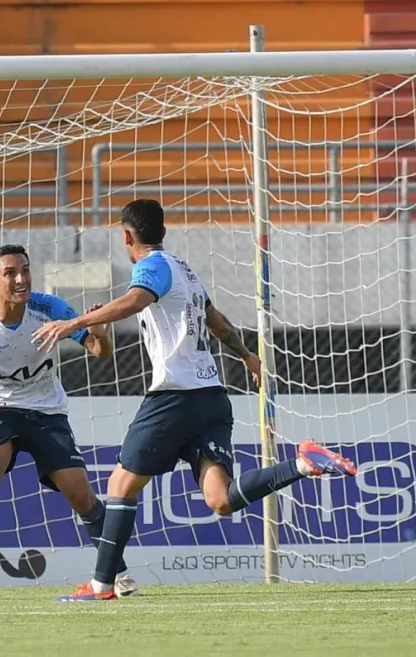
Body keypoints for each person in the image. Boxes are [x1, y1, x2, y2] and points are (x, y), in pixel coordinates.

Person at [31, 199, 358, 602]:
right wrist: (247, 354)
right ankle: (303, 464)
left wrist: (75, 323)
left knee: (119, 486)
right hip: (212, 398)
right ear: (163, 231)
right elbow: (215, 319)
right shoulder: (183, 268)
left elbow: (135, 300)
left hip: (175, 398)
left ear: (127, 236)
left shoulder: (149, 266)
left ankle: (101, 586)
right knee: (220, 499)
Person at [0, 244, 137, 596]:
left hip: (46, 410)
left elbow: (98, 351)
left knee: (81, 494)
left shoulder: (51, 309)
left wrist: (103, 337)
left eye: (25, 270)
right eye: (10, 273)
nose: (21, 279)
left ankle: (115, 572)